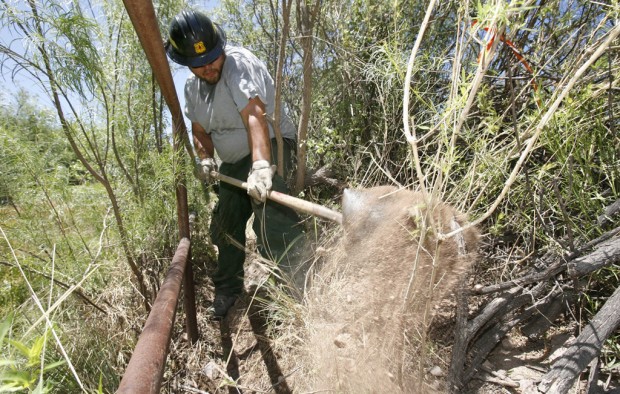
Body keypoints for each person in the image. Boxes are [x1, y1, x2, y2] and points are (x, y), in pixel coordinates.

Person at [165, 10, 306, 319]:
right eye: (199, 64)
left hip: (269, 143)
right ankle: (228, 289)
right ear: (186, 63)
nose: (209, 66)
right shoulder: (192, 90)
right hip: (232, 162)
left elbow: (254, 115)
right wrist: (205, 157)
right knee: (224, 226)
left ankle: (303, 287)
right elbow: (199, 130)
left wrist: (260, 167)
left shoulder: (239, 64)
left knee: (270, 215)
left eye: (213, 58)